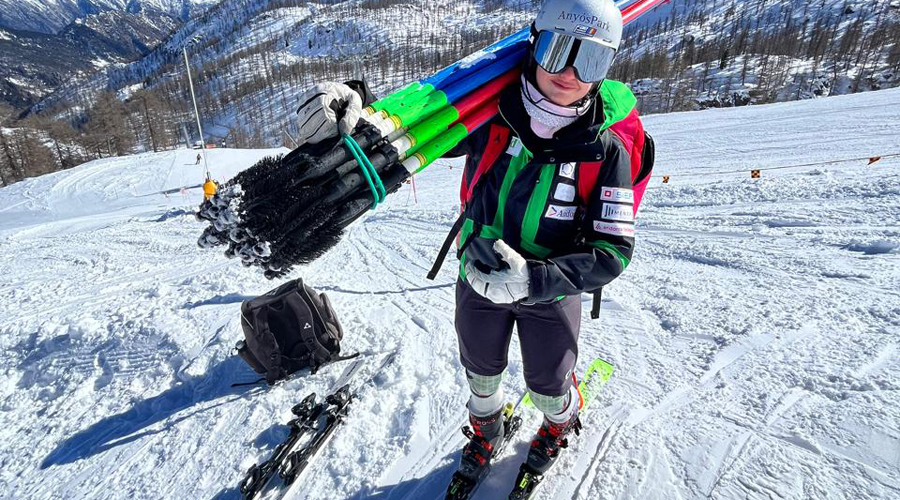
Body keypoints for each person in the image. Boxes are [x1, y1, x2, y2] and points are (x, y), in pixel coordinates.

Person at [292, 0, 653, 483]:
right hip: (477, 276)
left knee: (548, 385)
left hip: (550, 292)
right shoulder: (492, 114)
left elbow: (614, 250)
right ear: (534, 46)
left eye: (590, 59)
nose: (570, 73)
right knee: (480, 371)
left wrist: (535, 279)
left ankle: (559, 420)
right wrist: (356, 110)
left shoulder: (606, 149)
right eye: (558, 51)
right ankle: (487, 427)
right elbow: (419, 128)